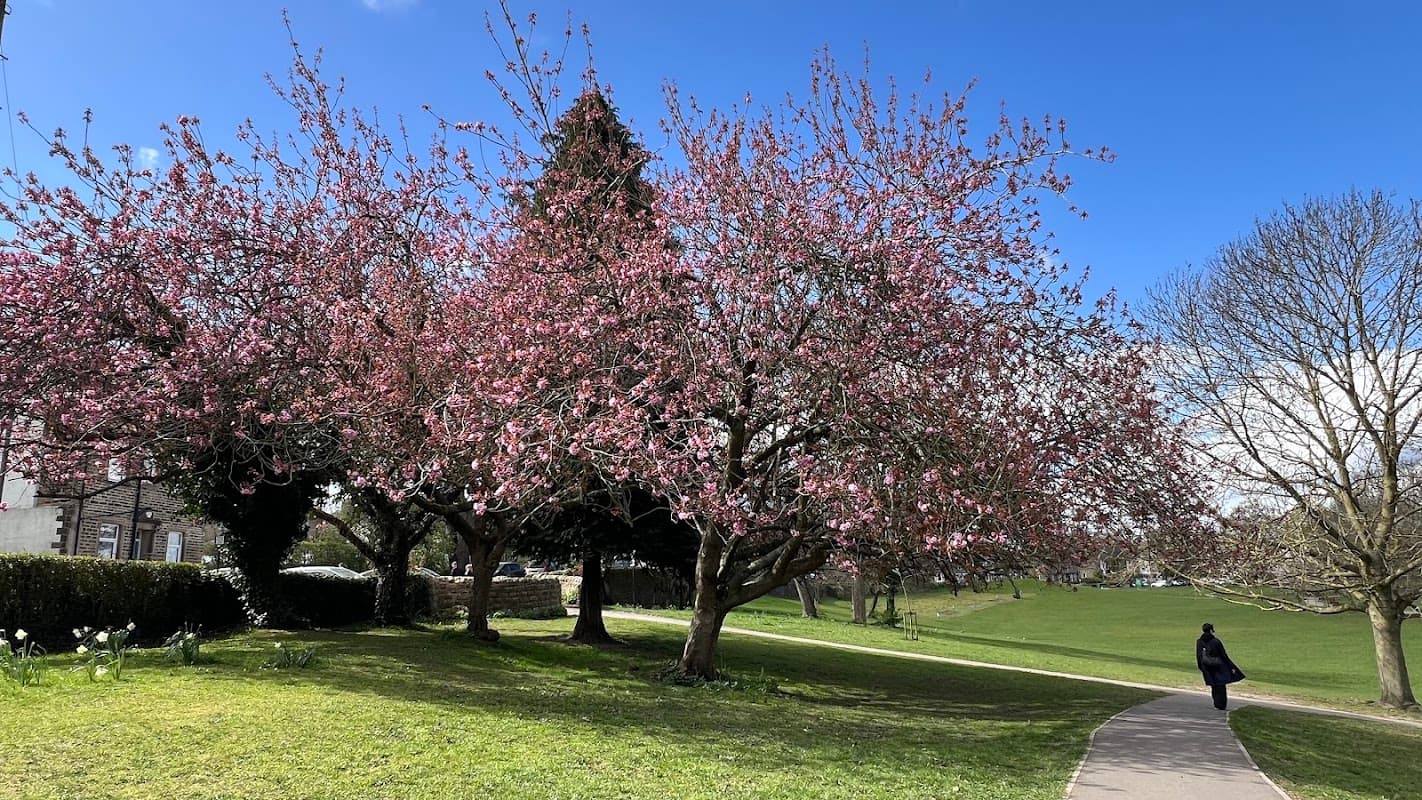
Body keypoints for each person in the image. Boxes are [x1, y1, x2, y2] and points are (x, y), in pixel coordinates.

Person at [1196, 622, 1246, 709]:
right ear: (1211, 630)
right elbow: (1224, 655)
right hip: (1218, 666)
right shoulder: (1216, 641)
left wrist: (1201, 667)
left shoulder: (1199, 642)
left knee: (1214, 686)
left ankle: (1216, 703)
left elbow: (1198, 655)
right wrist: (1231, 667)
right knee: (1221, 686)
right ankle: (1221, 705)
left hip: (1207, 667)